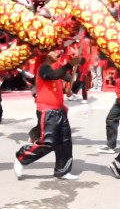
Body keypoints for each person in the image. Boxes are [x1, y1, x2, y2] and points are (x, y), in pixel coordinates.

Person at [14, 50, 81, 181]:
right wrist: (68, 65)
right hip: (48, 110)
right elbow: (54, 75)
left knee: (65, 141)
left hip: (59, 109)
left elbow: (68, 78)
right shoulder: (43, 69)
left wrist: (74, 67)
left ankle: (62, 170)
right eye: (54, 51)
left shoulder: (54, 68)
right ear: (46, 54)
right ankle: (22, 156)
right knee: (48, 142)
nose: (58, 53)